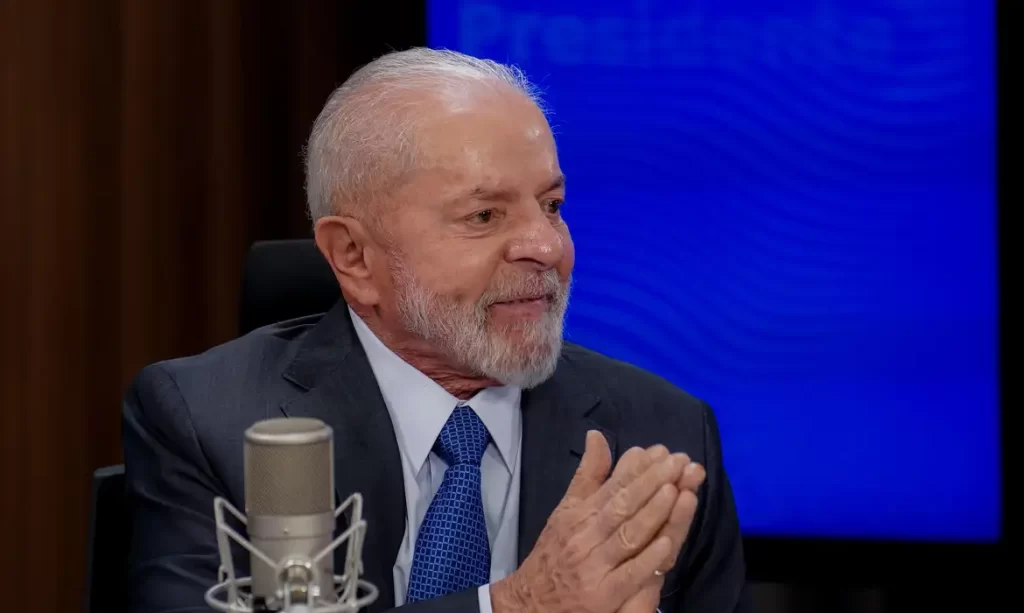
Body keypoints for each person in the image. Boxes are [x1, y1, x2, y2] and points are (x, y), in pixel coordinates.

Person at [123, 47, 750, 613]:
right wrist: (517, 607)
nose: (545, 246)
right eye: (484, 215)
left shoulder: (663, 433)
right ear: (354, 257)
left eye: (552, 206)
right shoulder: (212, 424)